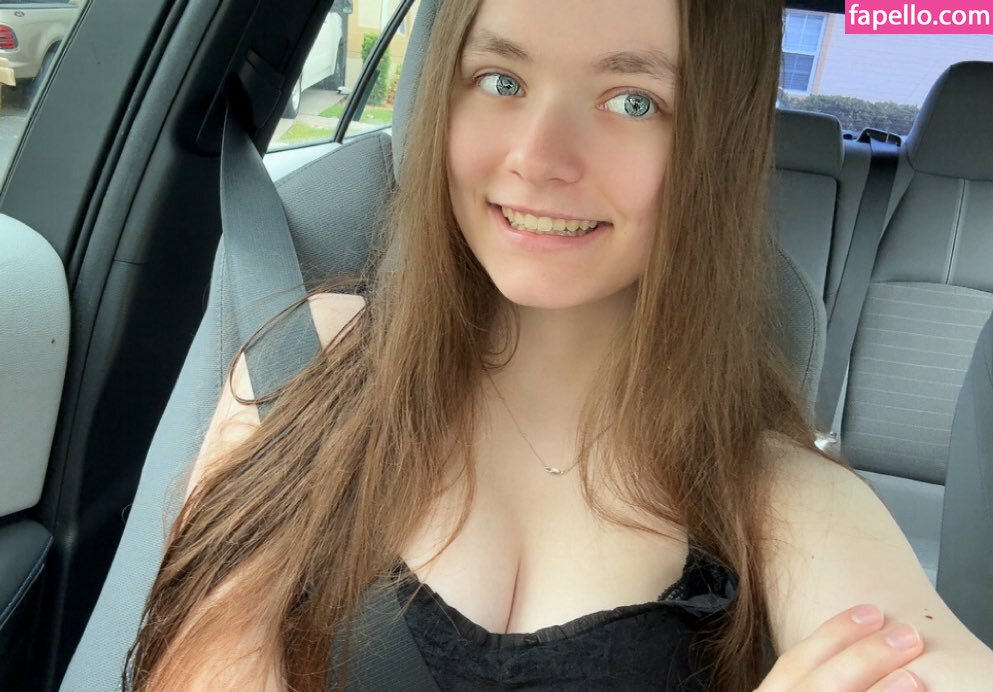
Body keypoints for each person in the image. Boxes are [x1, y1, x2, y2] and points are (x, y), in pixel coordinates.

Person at [124, 0, 993, 690]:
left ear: (714, 150)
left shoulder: (773, 492)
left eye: (631, 101)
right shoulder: (304, 360)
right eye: (499, 80)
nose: (539, 158)